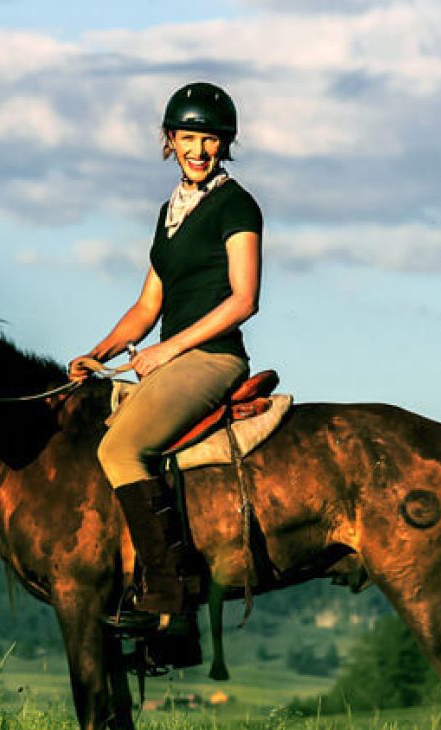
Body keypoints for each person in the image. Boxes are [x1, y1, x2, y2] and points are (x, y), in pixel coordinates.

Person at [68, 83, 263, 644]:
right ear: (170, 141)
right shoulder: (168, 214)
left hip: (210, 360)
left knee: (120, 449)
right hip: (171, 359)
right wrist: (99, 353)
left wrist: (168, 350)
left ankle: (174, 601)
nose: (197, 150)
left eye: (208, 139)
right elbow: (149, 304)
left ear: (223, 144)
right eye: (187, 138)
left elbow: (244, 299)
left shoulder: (237, 206)